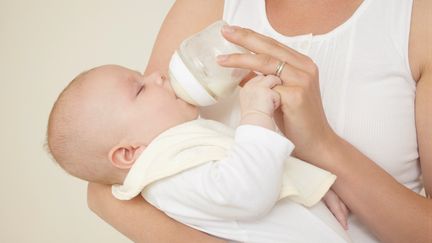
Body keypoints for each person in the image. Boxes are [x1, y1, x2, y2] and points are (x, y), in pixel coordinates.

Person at [87, 0, 432, 242]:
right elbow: (111, 180)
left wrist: (322, 146)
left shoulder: (417, 19)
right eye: (141, 86)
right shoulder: (208, 6)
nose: (158, 80)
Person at [47, 64, 351, 242]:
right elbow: (245, 192)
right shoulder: (167, 178)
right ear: (128, 153)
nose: (157, 76)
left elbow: (256, 167)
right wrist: (256, 113)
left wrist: (310, 186)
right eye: (140, 89)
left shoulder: (181, 148)